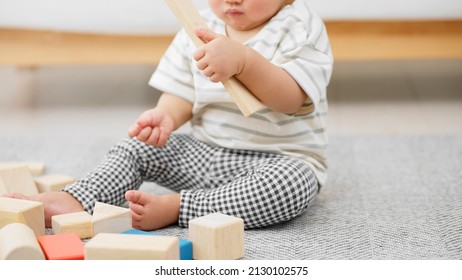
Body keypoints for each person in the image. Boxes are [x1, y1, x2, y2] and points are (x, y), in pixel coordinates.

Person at [6, 0, 333, 230]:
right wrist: (166, 115)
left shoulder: (299, 27)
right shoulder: (198, 27)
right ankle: (78, 199)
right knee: (136, 147)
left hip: (275, 160)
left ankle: (180, 207)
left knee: (291, 186)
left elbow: (291, 98)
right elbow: (182, 91)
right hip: (206, 153)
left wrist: (245, 62)